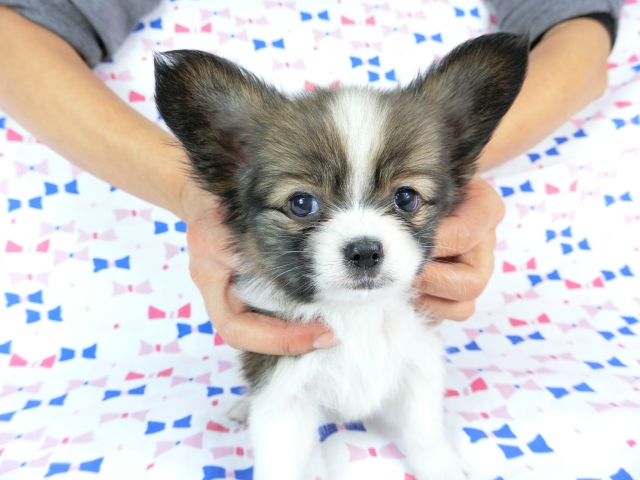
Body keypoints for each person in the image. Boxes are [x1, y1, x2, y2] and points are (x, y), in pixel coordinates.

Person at [0, 1, 623, 355]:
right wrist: (197, 193)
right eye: (303, 203)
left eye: (405, 197)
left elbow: (578, 40)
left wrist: (437, 163)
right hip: (108, 253)